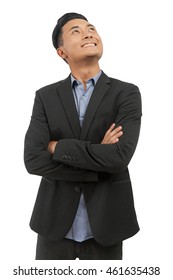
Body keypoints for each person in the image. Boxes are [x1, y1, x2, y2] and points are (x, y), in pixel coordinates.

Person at [24, 12, 142, 260]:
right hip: (53, 227)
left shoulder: (126, 94)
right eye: (75, 31)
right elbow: (33, 160)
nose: (88, 33)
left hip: (106, 225)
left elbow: (119, 158)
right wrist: (98, 159)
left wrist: (56, 147)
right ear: (61, 52)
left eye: (91, 28)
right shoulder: (45, 97)